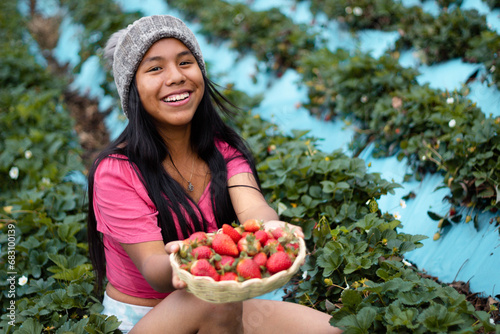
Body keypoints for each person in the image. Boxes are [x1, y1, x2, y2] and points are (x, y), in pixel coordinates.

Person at [87, 15, 341, 333]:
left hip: (219, 300)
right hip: (148, 319)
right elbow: (153, 266)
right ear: (132, 89)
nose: (176, 76)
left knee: (333, 329)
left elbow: (252, 207)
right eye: (155, 68)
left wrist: (273, 231)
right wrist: (189, 262)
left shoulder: (221, 148)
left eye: (185, 62)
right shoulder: (116, 171)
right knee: (211, 300)